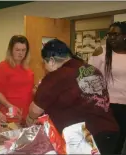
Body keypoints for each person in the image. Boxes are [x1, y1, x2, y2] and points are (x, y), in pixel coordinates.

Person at [26, 39, 119, 154]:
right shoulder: (92, 70)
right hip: (109, 131)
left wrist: (29, 118)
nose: (45, 67)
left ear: (51, 61)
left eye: (44, 63)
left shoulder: (56, 76)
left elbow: (35, 110)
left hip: (86, 138)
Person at [89, 21, 126, 154]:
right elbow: (90, 77)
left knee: (119, 143)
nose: (111, 37)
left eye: (115, 34)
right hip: (107, 106)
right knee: (108, 143)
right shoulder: (101, 51)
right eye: (109, 34)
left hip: (125, 107)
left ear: (124, 36)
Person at [0, 35, 34, 122]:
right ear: (11, 50)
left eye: (23, 50)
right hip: (9, 114)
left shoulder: (28, 69)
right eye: (17, 50)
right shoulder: (2, 67)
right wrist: (9, 105)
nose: (21, 53)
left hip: (26, 116)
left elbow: (28, 90)